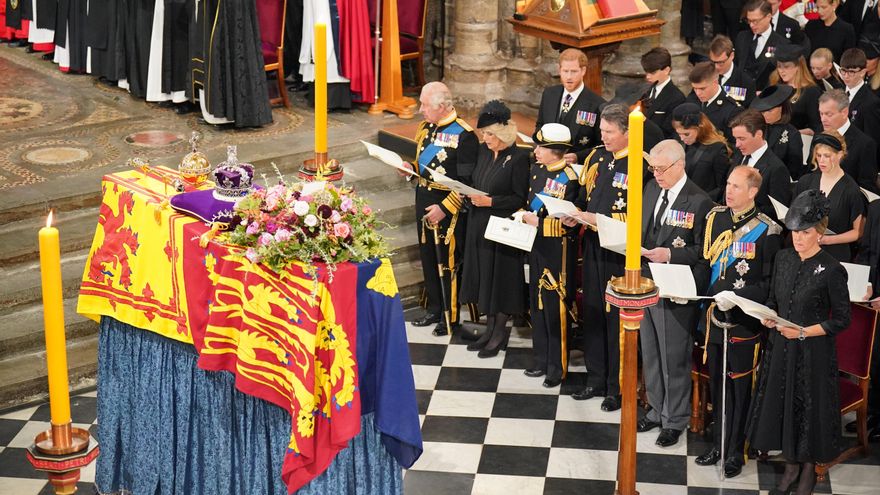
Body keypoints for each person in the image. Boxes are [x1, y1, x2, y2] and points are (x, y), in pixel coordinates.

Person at [747, 189, 851, 495]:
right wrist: (769, 316)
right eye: (794, 232)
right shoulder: (783, 258)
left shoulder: (833, 269)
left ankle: (806, 466)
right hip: (782, 346)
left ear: (819, 233)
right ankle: (790, 461)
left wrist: (804, 332)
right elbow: (773, 299)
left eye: (805, 233)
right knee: (784, 403)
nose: (798, 238)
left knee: (808, 408)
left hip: (813, 352)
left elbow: (841, 320)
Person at [695, 165, 782, 477]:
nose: (728, 191)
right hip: (715, 317)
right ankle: (719, 443)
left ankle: (736, 450)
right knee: (718, 385)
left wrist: (737, 297)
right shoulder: (716, 218)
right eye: (728, 184)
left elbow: (770, 285)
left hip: (745, 322)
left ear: (752, 192)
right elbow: (707, 266)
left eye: (736, 186)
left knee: (740, 388)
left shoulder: (767, 230)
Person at [567, 104, 650, 411]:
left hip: (619, 252)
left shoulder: (640, 165)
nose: (603, 137)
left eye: (609, 132)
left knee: (616, 318)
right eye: (601, 131)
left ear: (627, 133)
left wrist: (596, 219)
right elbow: (583, 195)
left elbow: (638, 216)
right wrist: (574, 214)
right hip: (591, 246)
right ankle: (595, 377)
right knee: (592, 311)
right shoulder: (597, 157)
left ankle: (617, 387)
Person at [637, 140, 713, 448]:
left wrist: (669, 253)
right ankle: (656, 409)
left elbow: (703, 251)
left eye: (661, 168)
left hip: (677, 287)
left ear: (680, 165)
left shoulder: (699, 200)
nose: (655, 174)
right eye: (652, 168)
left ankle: (675, 418)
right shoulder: (651, 189)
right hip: (646, 282)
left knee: (673, 357)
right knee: (651, 352)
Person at [402, 82, 478, 337]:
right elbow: (425, 165)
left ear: (443, 107)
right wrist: (409, 168)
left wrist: (445, 209)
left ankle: (450, 315)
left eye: (425, 105)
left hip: (448, 208)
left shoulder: (465, 135)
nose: (420, 109)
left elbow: (468, 183)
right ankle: (434, 308)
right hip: (423, 199)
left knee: (447, 262)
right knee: (427, 257)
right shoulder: (426, 128)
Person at [460, 101, 529, 357]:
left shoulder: (519, 157)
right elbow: (476, 180)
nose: (485, 138)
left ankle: (499, 332)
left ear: (503, 133)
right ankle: (488, 330)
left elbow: (519, 198)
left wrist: (491, 201)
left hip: (502, 226)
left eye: (490, 134)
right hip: (479, 222)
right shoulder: (484, 151)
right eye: (484, 134)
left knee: (500, 280)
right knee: (484, 278)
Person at [521, 123, 580, 387]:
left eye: (540, 147)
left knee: (555, 307)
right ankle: (542, 358)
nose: (535, 151)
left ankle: (558, 367)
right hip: (535, 246)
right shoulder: (536, 171)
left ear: (555, 150)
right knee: (537, 303)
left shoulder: (571, 179)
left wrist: (539, 224)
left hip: (558, 251)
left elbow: (572, 223)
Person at [794, 131, 865, 262]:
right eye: (819, 155)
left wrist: (828, 240)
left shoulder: (851, 189)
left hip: (834, 254)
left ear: (840, 155)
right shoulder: (806, 181)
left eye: (827, 156)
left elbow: (858, 232)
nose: (821, 161)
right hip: (805, 249)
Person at [534, 48, 606, 164]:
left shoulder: (597, 104)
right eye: (565, 71)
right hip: (546, 164)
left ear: (583, 71)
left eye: (573, 71)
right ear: (559, 70)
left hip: (575, 167)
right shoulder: (549, 94)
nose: (568, 77)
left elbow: (601, 144)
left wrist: (578, 157)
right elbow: (540, 125)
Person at [729, 109, 794, 216]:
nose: (737, 144)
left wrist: (744, 208)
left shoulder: (776, 168)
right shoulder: (738, 156)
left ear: (759, 134)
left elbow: (778, 211)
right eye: (735, 139)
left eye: (742, 139)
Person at [816, 89, 879, 193]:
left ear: (844, 112)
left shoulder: (865, 144)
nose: (823, 119)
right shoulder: (819, 131)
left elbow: (866, 188)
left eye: (828, 114)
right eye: (821, 114)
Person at [853, 197, 880, 442]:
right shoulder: (875, 207)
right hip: (873, 298)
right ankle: (871, 416)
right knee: (874, 360)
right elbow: (866, 251)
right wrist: (867, 283)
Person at [671, 102, 732, 201]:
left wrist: (703, 202)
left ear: (700, 128)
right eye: (679, 134)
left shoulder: (717, 148)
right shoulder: (680, 143)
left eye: (686, 134)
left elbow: (721, 186)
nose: (682, 138)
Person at [751, 85, 807, 179]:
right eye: (762, 111)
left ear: (782, 108)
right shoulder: (756, 128)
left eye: (769, 111)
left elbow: (794, 169)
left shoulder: (792, 134)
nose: (764, 115)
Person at [734, 0, 792, 90]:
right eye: (749, 21)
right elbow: (736, 68)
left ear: (768, 17)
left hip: (766, 98)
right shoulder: (742, 37)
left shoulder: (782, 44)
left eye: (755, 21)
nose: (752, 25)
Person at [767, 43, 823, 133]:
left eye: (786, 67)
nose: (782, 71)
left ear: (798, 66)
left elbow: (816, 127)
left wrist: (793, 134)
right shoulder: (775, 85)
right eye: (779, 66)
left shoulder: (811, 92)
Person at [687, 61, 744, 143]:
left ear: (715, 82)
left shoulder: (732, 110)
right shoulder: (692, 99)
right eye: (695, 88)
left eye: (702, 89)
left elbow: (734, 144)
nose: (698, 93)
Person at [641, 47, 687, 139]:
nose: (648, 76)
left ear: (666, 70)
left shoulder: (677, 98)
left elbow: (670, 132)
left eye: (652, 73)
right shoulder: (645, 90)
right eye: (646, 72)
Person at [839, 48, 880, 145]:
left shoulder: (871, 103)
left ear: (863, 72)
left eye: (851, 72)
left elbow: (871, 141)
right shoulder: (838, 92)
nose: (846, 76)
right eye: (843, 71)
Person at [710, 34, 758, 107]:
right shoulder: (705, 74)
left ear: (732, 56)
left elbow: (750, 112)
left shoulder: (746, 82)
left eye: (721, 62)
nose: (716, 67)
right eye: (714, 62)